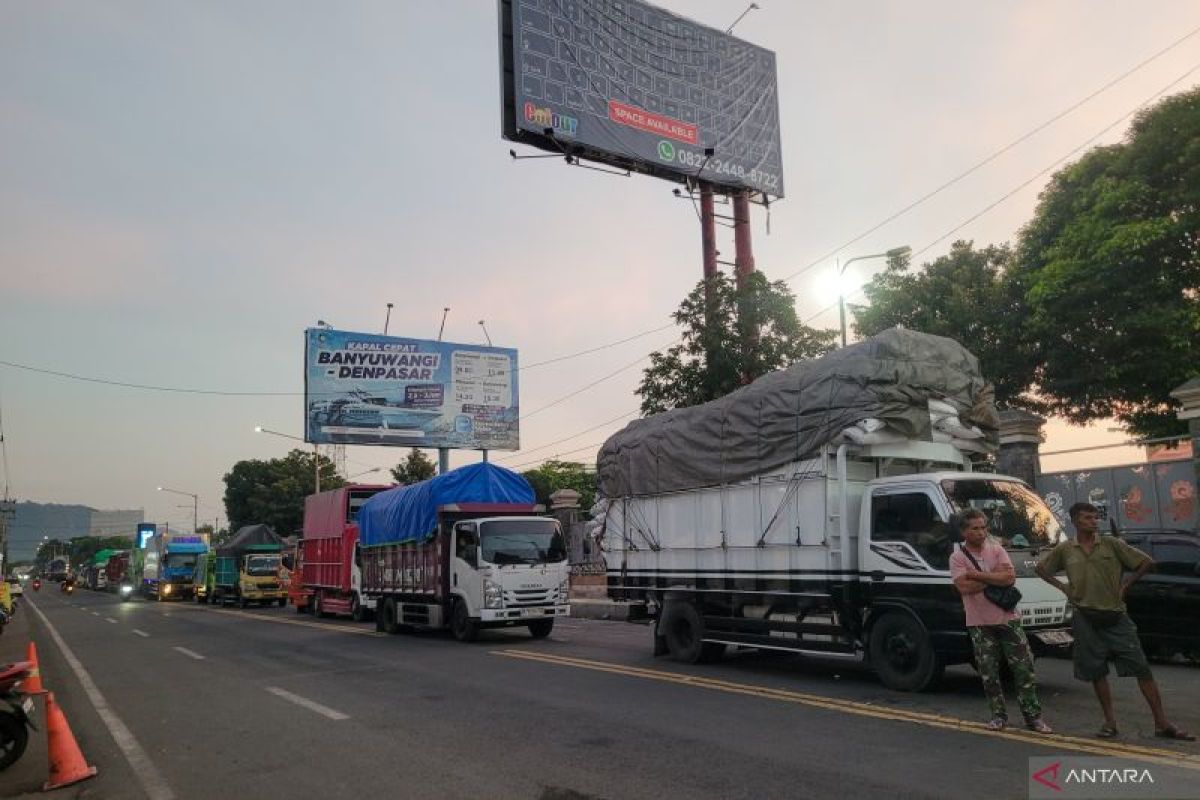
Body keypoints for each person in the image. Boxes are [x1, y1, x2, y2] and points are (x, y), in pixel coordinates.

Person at [1036, 502, 1194, 741]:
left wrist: (1126, 585)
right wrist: (1063, 587)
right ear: (1076, 521)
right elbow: (1041, 568)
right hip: (1085, 616)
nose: (1093, 521)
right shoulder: (1067, 549)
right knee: (1097, 671)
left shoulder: (1111, 544)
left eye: (1095, 517)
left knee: (1141, 667)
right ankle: (1110, 722)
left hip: (1115, 616)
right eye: (1087, 518)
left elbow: (1146, 562)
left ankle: (1162, 723)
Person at [949, 509, 1052, 733]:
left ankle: (1033, 717)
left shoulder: (997, 550)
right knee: (989, 672)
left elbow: (1009, 578)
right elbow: (963, 587)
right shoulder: (957, 558)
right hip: (979, 622)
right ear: (964, 532)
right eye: (975, 528)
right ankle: (998, 716)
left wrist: (976, 575)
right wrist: (994, 578)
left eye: (984, 527)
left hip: (1008, 619)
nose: (981, 532)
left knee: (1023, 669)